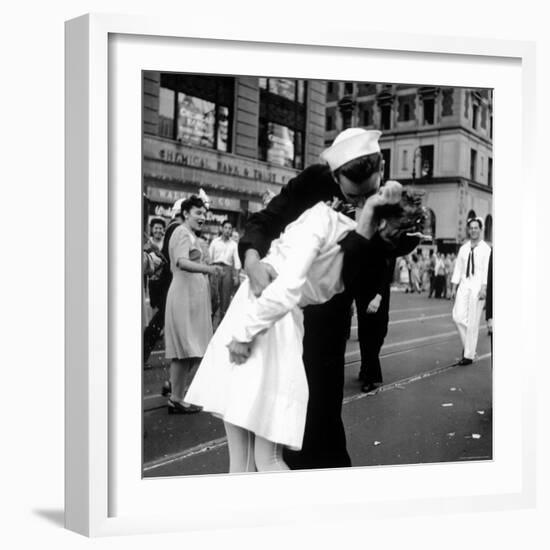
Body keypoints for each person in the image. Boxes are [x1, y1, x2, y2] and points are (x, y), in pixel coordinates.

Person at [186, 183, 425, 471]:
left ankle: (288, 512)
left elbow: (287, 287)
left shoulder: (329, 222)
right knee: (255, 458)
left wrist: (245, 333)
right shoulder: (358, 246)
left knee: (256, 459)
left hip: (265, 319)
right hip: (277, 322)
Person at [231, 128, 419, 470]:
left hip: (330, 314)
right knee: (270, 417)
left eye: (369, 193)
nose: (362, 202)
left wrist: (391, 236)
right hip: (286, 314)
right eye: (353, 195)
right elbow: (267, 219)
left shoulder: (389, 197)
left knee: (321, 415)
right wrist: (251, 258)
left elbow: (383, 254)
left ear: (382, 166)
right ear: (334, 176)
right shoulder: (313, 183)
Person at [164, 196, 222, 414]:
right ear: (186, 213)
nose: (203, 217)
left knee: (194, 350)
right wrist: (208, 269)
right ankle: (176, 397)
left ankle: (175, 390)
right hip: (183, 297)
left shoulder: (191, 235)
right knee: (186, 350)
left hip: (193, 298)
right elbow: (181, 261)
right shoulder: (180, 231)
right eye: (198, 213)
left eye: (204, 214)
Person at [143, 199, 184, 364]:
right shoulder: (176, 228)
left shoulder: (173, 228)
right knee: (160, 321)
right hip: (170, 282)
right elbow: (170, 258)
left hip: (168, 281)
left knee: (162, 321)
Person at [450, 217, 491, 365]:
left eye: (476, 228)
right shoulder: (463, 248)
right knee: (458, 317)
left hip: (478, 288)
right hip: (464, 286)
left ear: (480, 230)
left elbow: (488, 270)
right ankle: (469, 348)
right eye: (471, 228)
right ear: (468, 230)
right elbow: (458, 269)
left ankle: (468, 355)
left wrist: (484, 288)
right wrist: (454, 288)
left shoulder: (486, 249)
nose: (473, 230)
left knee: (473, 322)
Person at [209, 220, 242, 327]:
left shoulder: (234, 245)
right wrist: (208, 270)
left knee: (225, 297)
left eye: (230, 228)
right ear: (222, 229)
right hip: (215, 267)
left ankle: (220, 325)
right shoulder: (215, 242)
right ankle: (209, 321)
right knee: (213, 295)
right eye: (226, 228)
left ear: (231, 231)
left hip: (227, 269)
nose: (227, 230)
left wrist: (236, 276)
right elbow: (209, 257)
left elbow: (237, 261)